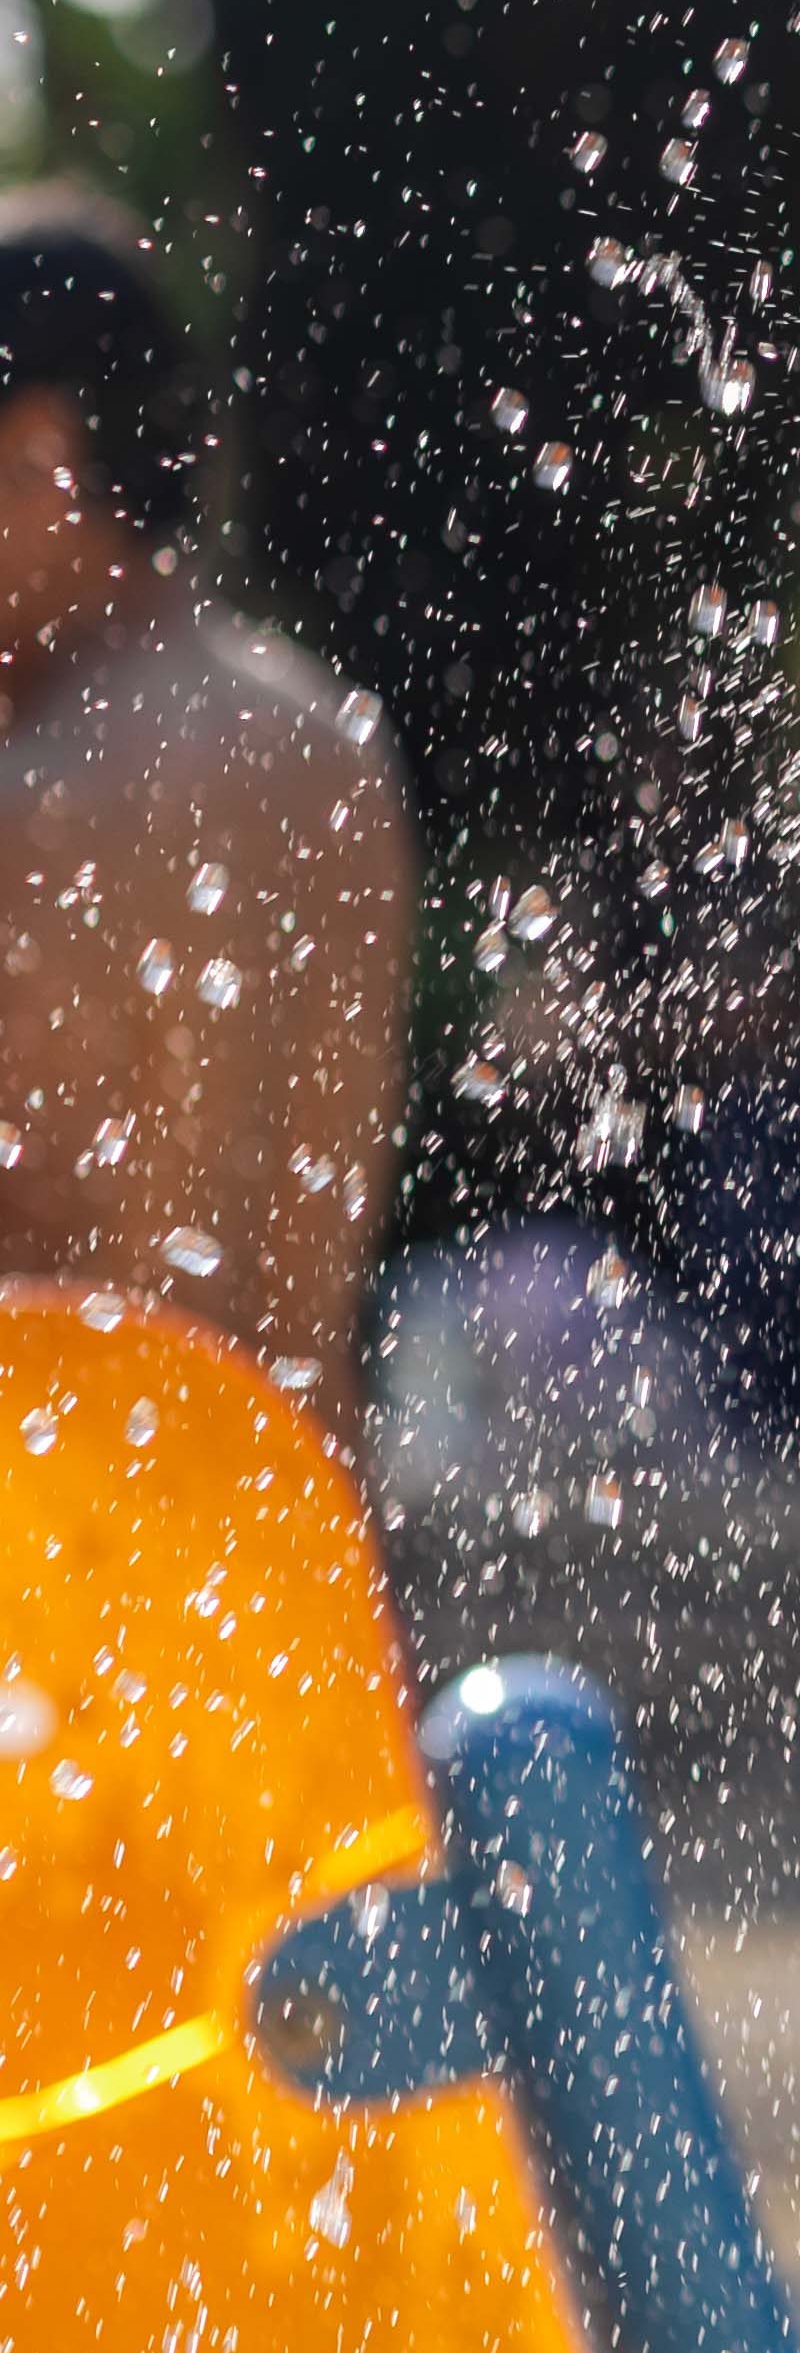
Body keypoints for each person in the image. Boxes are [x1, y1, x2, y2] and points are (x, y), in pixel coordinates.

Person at [0, 193, 410, 1433]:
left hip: (60, 1552)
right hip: (297, 1538)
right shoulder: (332, 742)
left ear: (41, 454)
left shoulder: (44, 794)